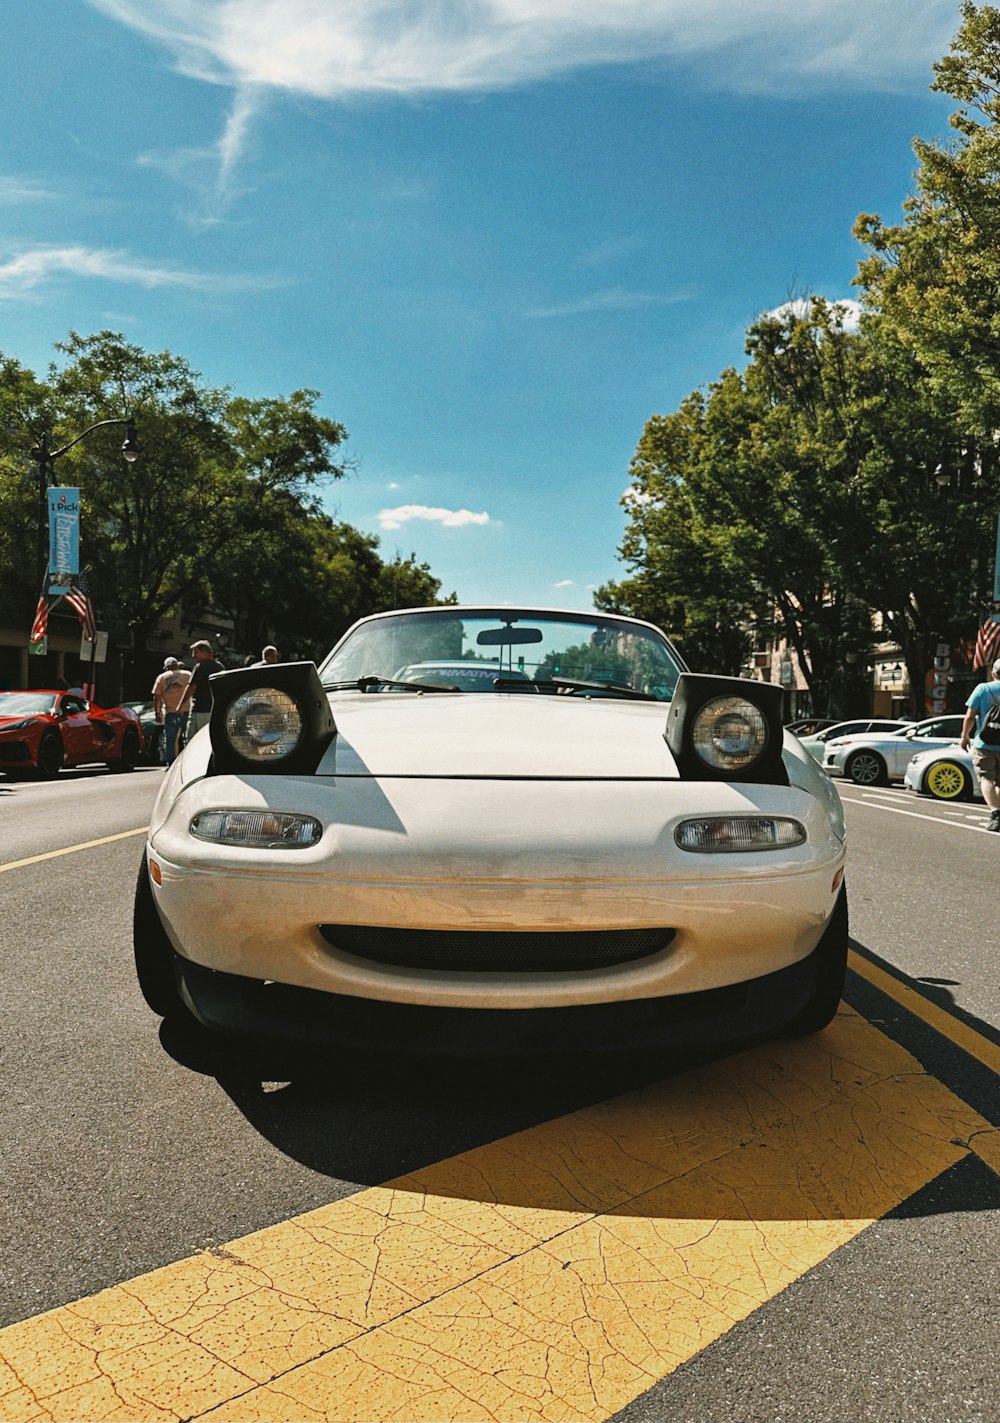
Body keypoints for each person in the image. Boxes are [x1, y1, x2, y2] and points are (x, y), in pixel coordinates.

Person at [960, 655, 1000, 830]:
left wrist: (965, 736)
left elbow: (970, 716)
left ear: (993, 674)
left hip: (985, 743)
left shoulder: (983, 689)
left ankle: (995, 812)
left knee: (986, 778)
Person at [178, 640, 224, 740]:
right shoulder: (220, 667)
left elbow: (191, 687)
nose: (193, 656)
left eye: (195, 652)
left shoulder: (201, 666)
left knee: (192, 740)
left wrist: (181, 706)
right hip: (214, 710)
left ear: (204, 652)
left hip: (200, 710)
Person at [151, 656, 192, 766]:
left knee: (170, 738)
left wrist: (157, 712)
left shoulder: (161, 678)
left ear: (166, 667)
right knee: (188, 737)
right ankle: (188, 761)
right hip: (187, 710)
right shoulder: (187, 675)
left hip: (171, 712)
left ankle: (171, 762)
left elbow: (157, 696)